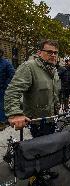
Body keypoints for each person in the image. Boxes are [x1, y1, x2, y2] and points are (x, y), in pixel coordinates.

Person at [4, 39, 60, 178]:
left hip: (50, 118)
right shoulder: (29, 67)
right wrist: (16, 114)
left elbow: (54, 93)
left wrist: (57, 108)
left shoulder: (53, 70)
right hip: (35, 120)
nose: (53, 55)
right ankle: (35, 176)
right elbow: (13, 91)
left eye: (55, 53)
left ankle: (44, 170)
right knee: (36, 151)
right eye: (49, 52)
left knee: (47, 149)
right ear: (40, 52)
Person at [0, 48, 15, 131]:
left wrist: (5, 85)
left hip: (2, 89)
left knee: (1, 106)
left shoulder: (6, 63)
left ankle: (2, 122)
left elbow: (12, 75)